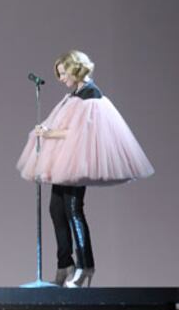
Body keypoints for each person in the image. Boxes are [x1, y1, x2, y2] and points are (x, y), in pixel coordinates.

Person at [17, 50, 154, 287]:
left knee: (73, 210)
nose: (61, 79)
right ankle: (65, 264)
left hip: (78, 160)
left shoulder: (91, 95)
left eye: (63, 73)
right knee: (56, 209)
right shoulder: (75, 95)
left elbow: (79, 132)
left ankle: (85, 266)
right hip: (65, 160)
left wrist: (49, 133)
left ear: (75, 70)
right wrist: (47, 131)